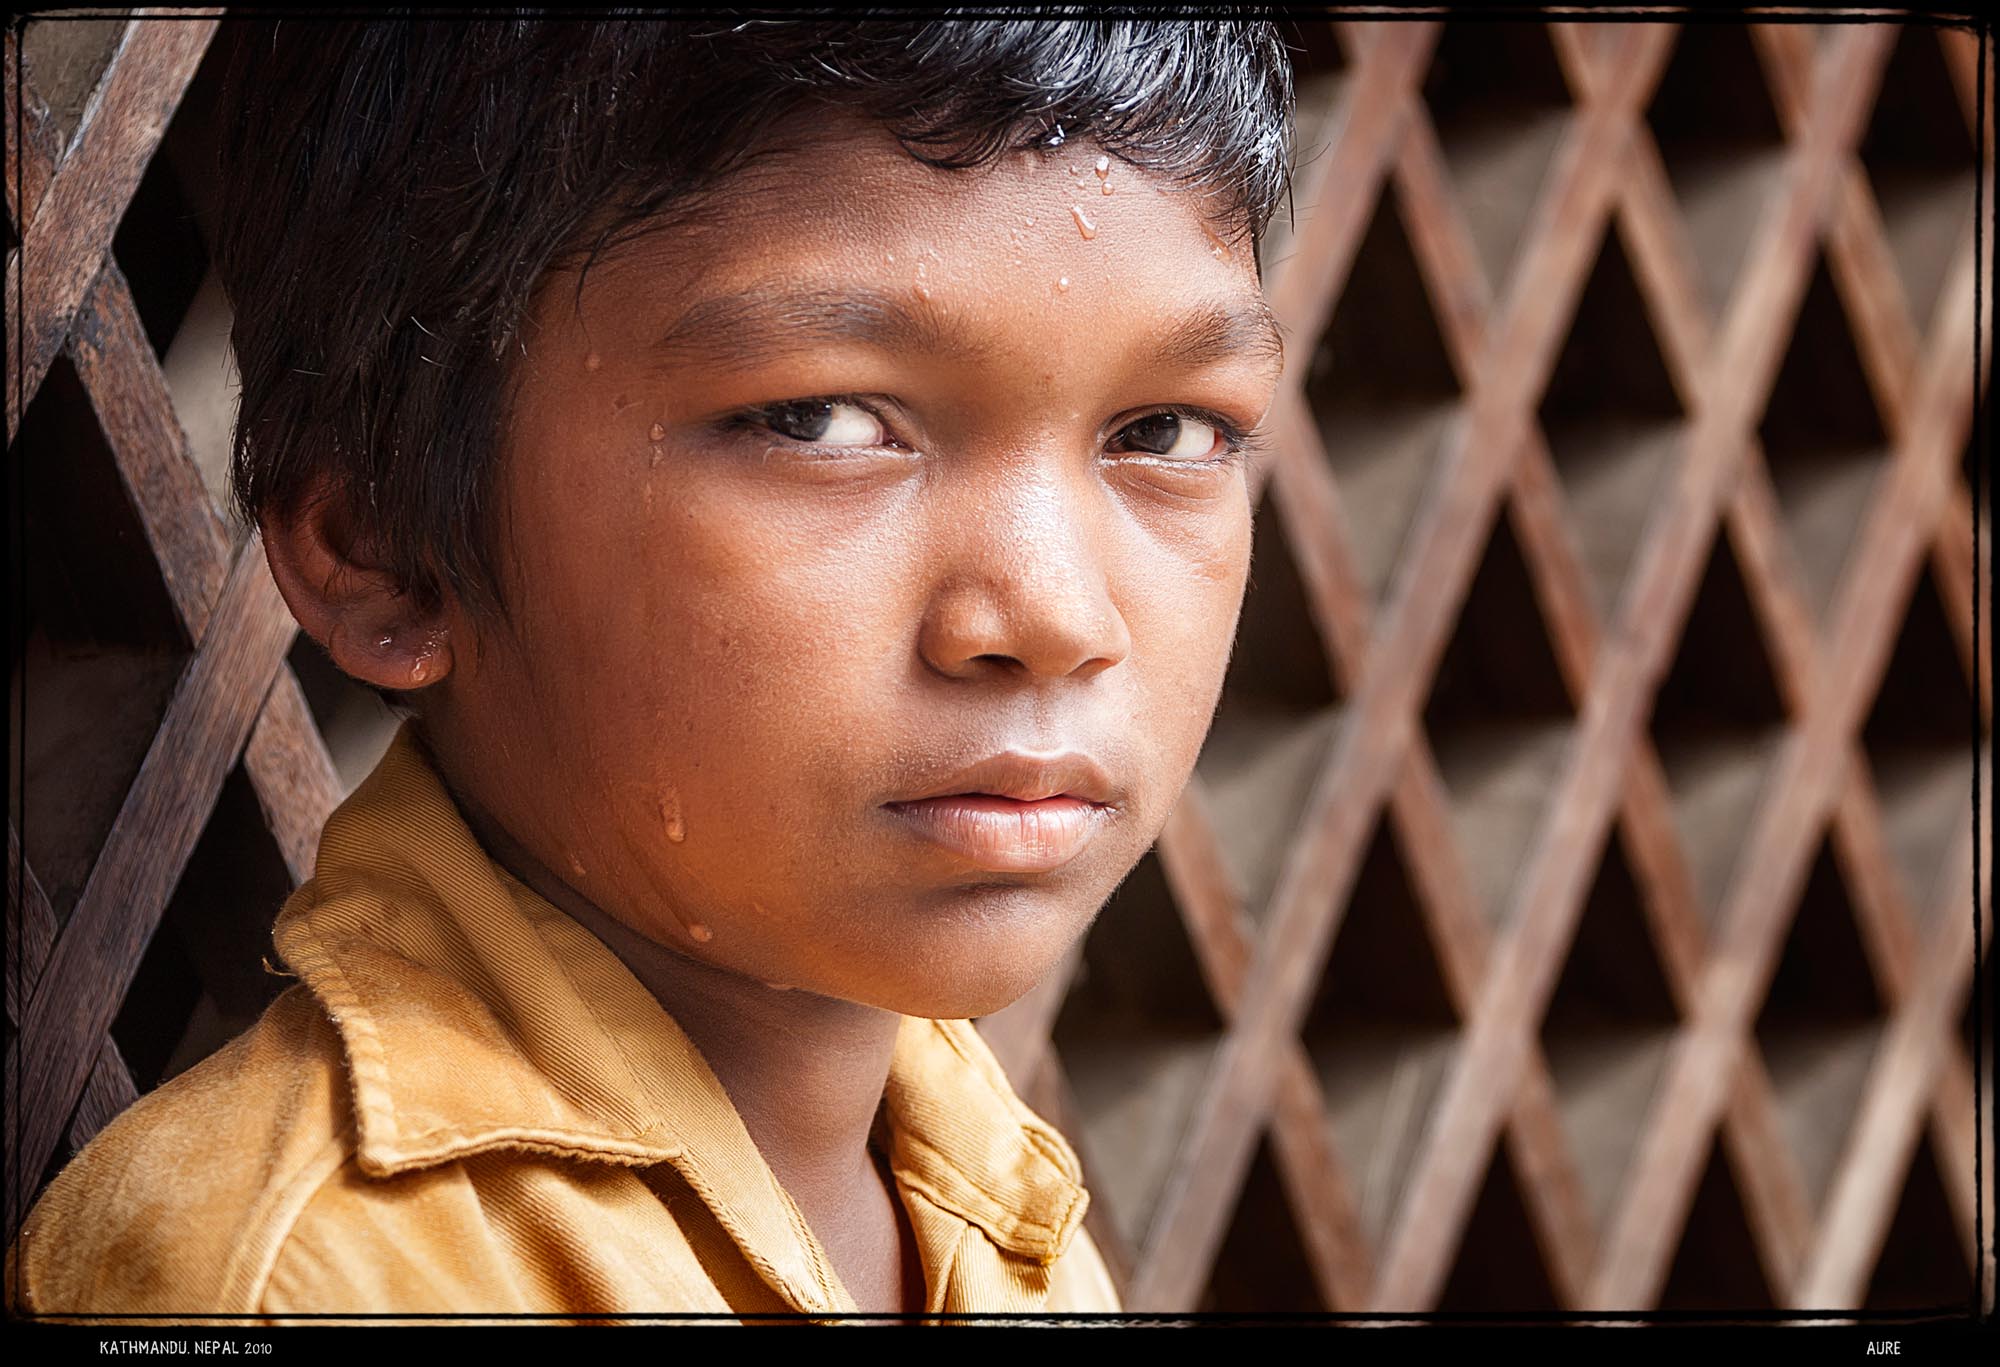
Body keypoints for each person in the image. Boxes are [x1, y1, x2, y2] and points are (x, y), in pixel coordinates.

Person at [7, 16, 1294, 1323]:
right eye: (819, 420)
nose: (1058, 615)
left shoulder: (971, 1177)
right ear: (382, 545)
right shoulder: (300, 1278)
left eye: (1165, 430)